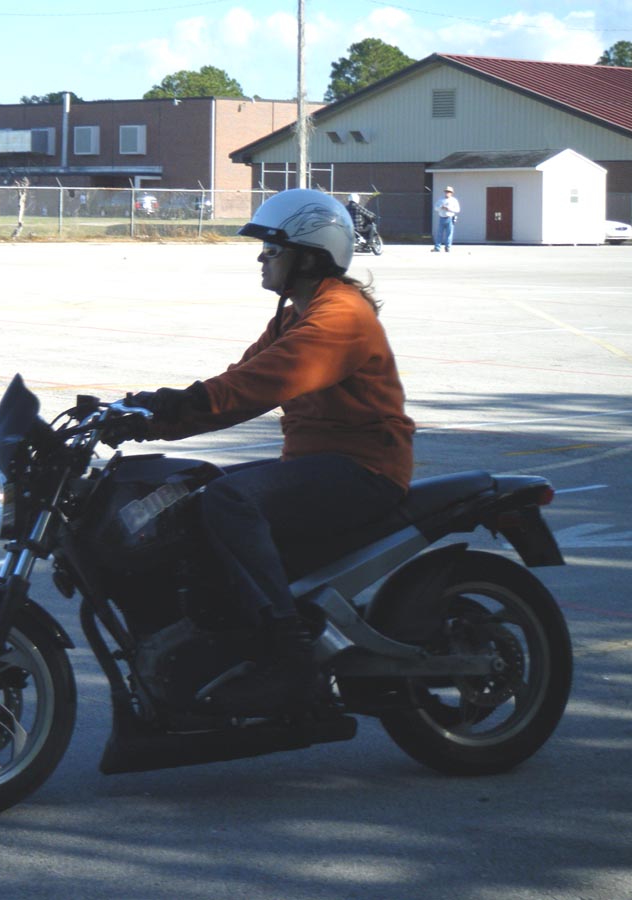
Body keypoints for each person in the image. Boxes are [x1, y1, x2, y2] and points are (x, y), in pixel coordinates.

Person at [124, 189, 415, 711]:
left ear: (309, 256)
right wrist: (141, 418)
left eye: (271, 249)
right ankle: (222, 638)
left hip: (364, 470)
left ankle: (289, 656)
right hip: (315, 465)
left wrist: (174, 404)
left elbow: (262, 384)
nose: (261, 258)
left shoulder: (340, 316)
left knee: (229, 499)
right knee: (194, 492)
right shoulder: (294, 316)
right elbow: (238, 383)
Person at [434, 185, 460, 252]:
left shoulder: (454, 200)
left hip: (450, 218)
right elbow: (435, 208)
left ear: (452, 193)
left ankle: (448, 247)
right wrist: (440, 207)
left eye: (449, 192)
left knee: (449, 234)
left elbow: (457, 210)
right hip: (441, 218)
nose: (447, 193)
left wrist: (449, 209)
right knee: (439, 234)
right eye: (446, 191)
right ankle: (437, 247)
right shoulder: (441, 199)